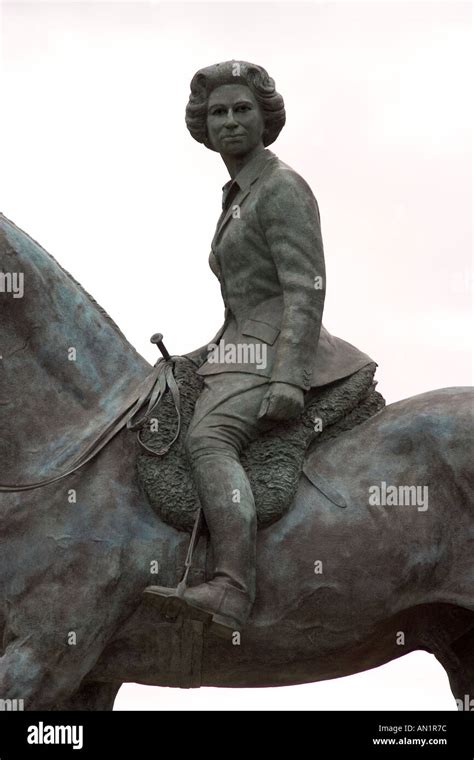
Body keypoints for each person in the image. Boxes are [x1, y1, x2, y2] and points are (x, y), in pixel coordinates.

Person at [145, 60, 373, 636]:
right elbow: (241, 306)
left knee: (208, 438)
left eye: (242, 109)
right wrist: (198, 358)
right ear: (203, 125)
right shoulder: (238, 194)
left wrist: (289, 377)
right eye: (217, 112)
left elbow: (305, 288)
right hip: (242, 347)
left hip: (280, 352)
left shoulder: (281, 187)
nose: (229, 121)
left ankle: (232, 587)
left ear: (265, 118)